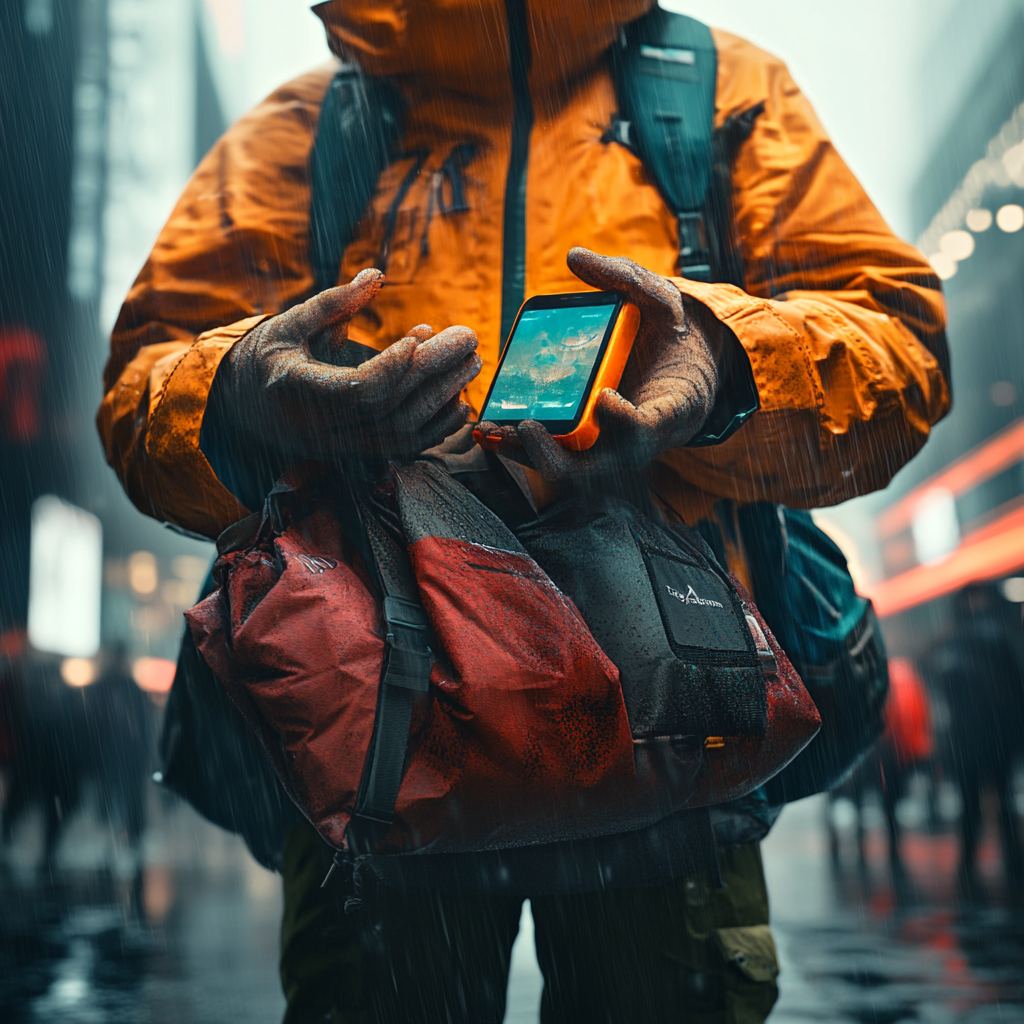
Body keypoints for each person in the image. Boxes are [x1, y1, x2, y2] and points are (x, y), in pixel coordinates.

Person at [97, 2, 950, 1020]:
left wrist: (725, 364)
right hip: (443, 744)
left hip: (560, 738)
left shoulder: (722, 95)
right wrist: (245, 392)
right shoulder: (305, 127)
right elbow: (139, 393)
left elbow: (901, 348)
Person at [929, 584, 1024, 894]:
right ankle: (1012, 864)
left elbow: (945, 689)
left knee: (971, 805)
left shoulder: (951, 643)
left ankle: (968, 868)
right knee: (1002, 800)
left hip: (968, 740)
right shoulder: (1002, 635)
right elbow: (1016, 687)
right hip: (995, 736)